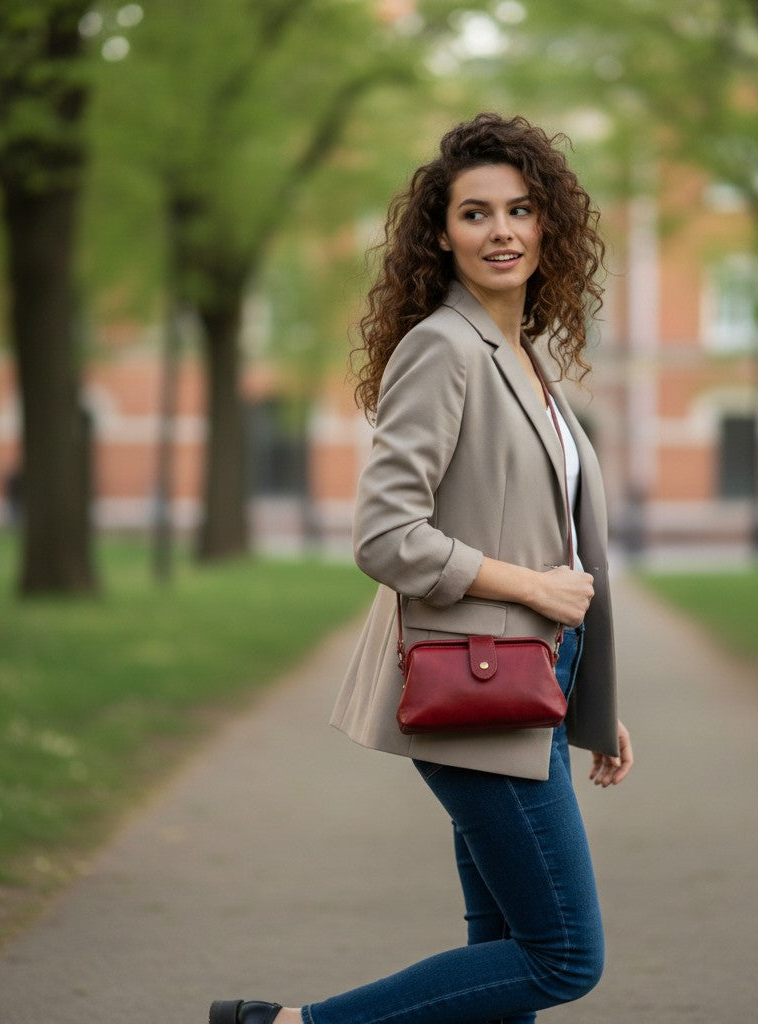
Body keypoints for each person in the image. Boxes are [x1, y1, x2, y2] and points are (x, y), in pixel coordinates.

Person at [209, 111, 633, 1024]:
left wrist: (591, 698)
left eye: (521, 209)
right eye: (475, 213)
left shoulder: (521, 357)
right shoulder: (443, 348)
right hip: (477, 688)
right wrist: (529, 587)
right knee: (561, 957)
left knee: (499, 954)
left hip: (531, 685)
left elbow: (549, 528)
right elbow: (385, 535)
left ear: (549, 225)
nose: (503, 230)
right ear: (440, 234)